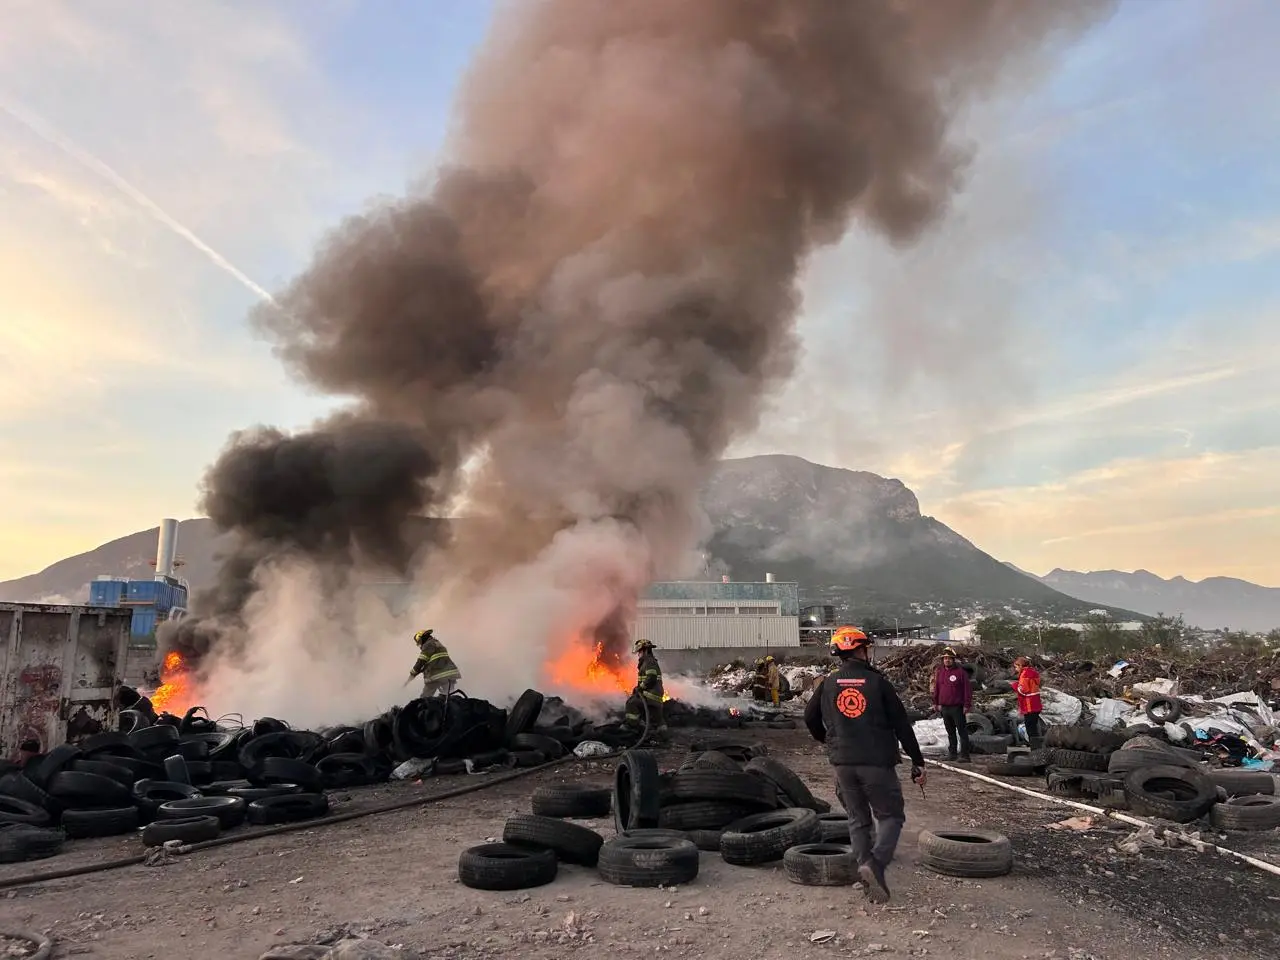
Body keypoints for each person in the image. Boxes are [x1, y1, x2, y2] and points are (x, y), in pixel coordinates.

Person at [804, 625, 926, 904]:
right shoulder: (878, 683)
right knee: (891, 816)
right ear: (860, 649)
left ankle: (864, 868)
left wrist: (830, 742)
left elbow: (810, 718)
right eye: (866, 648)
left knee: (857, 819)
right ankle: (876, 864)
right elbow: (902, 726)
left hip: (843, 763)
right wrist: (917, 761)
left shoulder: (827, 683)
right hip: (876, 762)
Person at [931, 647, 972, 762]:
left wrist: (967, 705)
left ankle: (965, 755)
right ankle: (952, 753)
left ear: (954, 660)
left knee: (962, 732)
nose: (947, 660)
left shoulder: (961, 673)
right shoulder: (941, 672)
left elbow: (967, 690)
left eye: (949, 658)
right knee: (950, 732)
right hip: (945, 707)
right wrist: (936, 702)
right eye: (945, 658)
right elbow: (937, 688)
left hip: (957, 707)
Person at [625, 638, 668, 739]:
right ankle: (661, 730)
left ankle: (633, 725)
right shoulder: (648, 662)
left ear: (645, 650)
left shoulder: (648, 662)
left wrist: (640, 688)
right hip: (653, 696)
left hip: (651, 696)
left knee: (631, 703)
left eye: (639, 651)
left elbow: (651, 678)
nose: (638, 654)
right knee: (656, 718)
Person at [408, 629, 461, 698]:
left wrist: (412, 674)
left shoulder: (428, 645)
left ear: (422, 639)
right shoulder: (437, 643)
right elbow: (435, 660)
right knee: (448, 697)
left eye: (419, 642)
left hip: (436, 676)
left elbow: (420, 662)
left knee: (424, 699)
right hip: (450, 675)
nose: (420, 645)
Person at [1010, 656, 1043, 739]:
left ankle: (1034, 748)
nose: (1016, 669)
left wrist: (1015, 686)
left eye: (1016, 667)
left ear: (1020, 666)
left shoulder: (1024, 675)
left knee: (1030, 728)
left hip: (1029, 705)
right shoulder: (1034, 672)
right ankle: (1037, 747)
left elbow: (1023, 690)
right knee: (1033, 727)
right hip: (1036, 703)